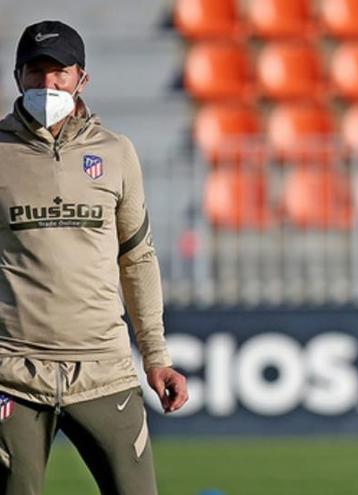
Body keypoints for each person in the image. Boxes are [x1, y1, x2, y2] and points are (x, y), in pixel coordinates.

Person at [0, 20, 187, 495]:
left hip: (105, 371)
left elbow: (138, 258)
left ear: (82, 78)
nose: (48, 84)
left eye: (59, 72)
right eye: (36, 72)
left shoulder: (116, 152)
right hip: (13, 375)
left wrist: (156, 357)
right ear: (18, 76)